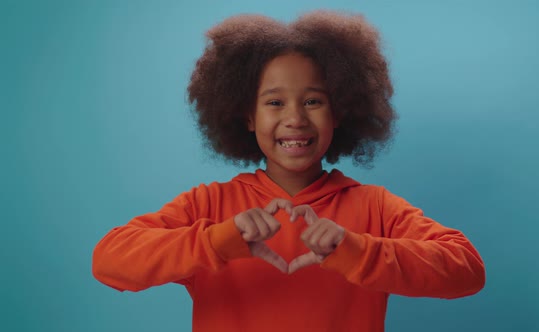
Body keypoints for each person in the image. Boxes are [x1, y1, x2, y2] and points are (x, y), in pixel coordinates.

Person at [92, 10, 485, 332]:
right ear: (246, 116)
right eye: (275, 102)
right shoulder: (209, 205)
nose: (295, 118)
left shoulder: (375, 208)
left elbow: (466, 269)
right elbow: (109, 261)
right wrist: (216, 242)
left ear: (340, 111)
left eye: (313, 101)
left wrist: (356, 250)